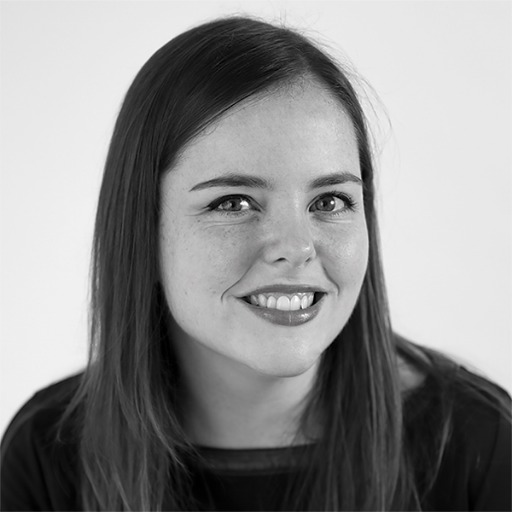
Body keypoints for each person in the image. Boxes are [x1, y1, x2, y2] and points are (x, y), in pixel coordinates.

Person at [1, 15, 510, 512]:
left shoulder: (479, 442)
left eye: (329, 201)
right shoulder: (46, 455)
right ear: (143, 229)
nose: (297, 247)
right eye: (234, 203)